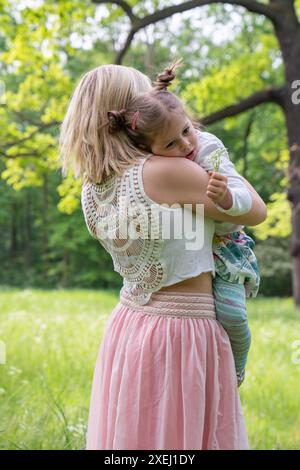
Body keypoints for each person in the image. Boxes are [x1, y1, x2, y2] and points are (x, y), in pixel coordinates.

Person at [58, 61, 267, 450]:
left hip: (130, 324)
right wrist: (204, 146)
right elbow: (255, 210)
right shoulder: (167, 173)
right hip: (182, 329)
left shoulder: (93, 190)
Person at [103, 58, 259, 388]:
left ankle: (238, 368)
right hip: (194, 267)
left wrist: (228, 200)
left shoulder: (208, 147)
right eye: (171, 144)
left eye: (186, 131)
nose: (186, 145)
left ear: (189, 121)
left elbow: (248, 202)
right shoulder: (156, 167)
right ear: (148, 150)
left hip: (229, 249)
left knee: (233, 315)